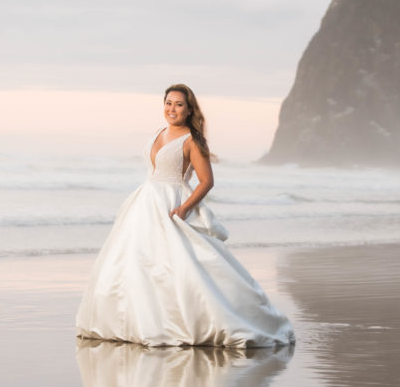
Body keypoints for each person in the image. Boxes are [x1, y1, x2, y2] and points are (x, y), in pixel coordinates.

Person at [76, 84, 296, 348]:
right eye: (168, 103)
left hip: (172, 202)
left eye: (179, 104)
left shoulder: (192, 140)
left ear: (189, 109)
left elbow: (206, 181)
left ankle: (182, 321)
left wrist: (184, 208)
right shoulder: (158, 132)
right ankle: (132, 320)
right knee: (137, 263)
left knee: (180, 265)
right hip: (145, 202)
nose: (172, 109)